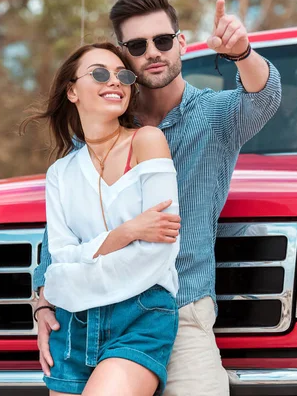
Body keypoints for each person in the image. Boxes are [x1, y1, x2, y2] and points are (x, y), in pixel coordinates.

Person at [32, 0, 282, 395]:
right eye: (136, 46)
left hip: (181, 308)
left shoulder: (215, 116)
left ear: (182, 42)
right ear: (123, 58)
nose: (152, 52)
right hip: (89, 312)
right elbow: (63, 231)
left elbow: (263, 97)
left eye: (163, 40)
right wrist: (43, 299)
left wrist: (242, 53)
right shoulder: (93, 134)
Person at [22, 42, 180, 395]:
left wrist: (75, 276)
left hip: (141, 316)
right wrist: (126, 232)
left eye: (123, 75)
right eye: (99, 73)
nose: (115, 82)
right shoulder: (59, 174)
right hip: (72, 326)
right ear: (73, 91)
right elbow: (58, 262)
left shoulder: (148, 141)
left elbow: (159, 249)